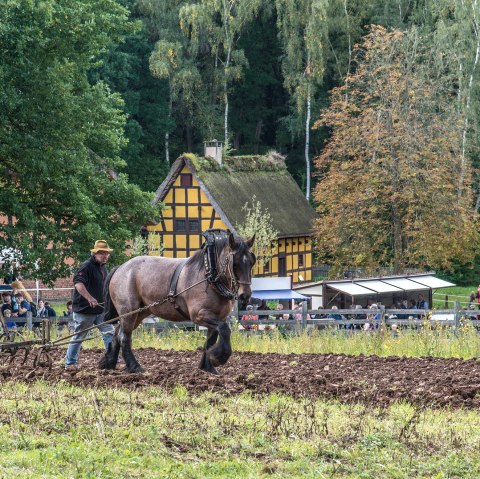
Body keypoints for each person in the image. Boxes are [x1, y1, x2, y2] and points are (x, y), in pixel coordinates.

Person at [64, 240, 115, 370]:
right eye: (103, 253)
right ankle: (70, 363)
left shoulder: (103, 268)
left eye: (107, 254)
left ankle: (112, 360)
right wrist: (90, 298)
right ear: (95, 253)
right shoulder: (86, 266)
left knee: (109, 333)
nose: (105, 256)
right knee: (79, 336)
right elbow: (78, 284)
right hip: (84, 310)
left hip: (100, 310)